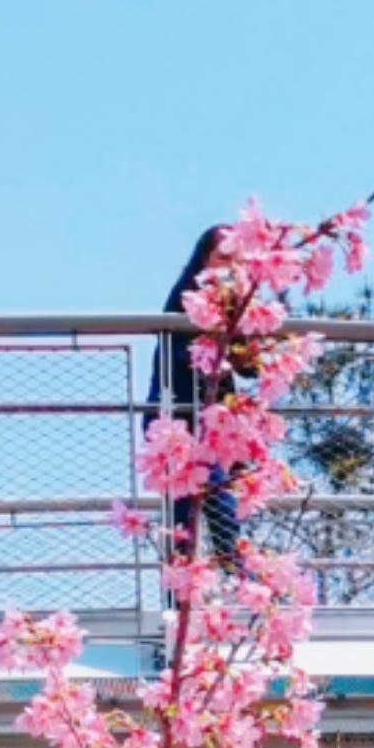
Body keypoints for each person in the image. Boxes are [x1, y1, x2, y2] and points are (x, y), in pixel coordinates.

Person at [148, 225, 243, 562]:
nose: (228, 269)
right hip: (179, 418)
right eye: (222, 259)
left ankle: (234, 578)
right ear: (203, 258)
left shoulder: (234, 301)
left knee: (219, 504)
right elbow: (177, 358)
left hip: (214, 420)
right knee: (188, 513)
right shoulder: (185, 297)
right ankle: (185, 595)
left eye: (237, 262)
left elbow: (249, 367)